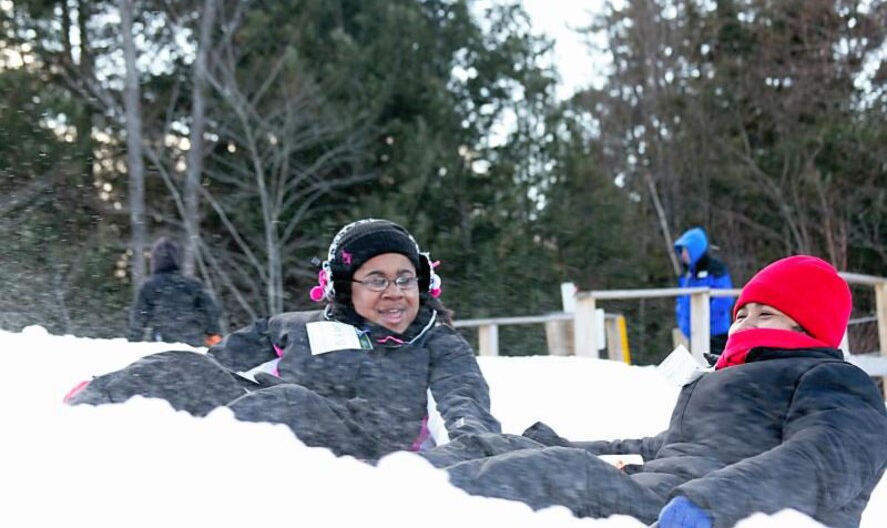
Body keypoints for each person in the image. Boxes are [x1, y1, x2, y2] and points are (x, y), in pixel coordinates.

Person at [419, 255, 887, 528]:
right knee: (498, 446)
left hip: (705, 508)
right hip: (660, 489)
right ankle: (391, 483)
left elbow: (826, 460)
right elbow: (658, 447)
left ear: (810, 330)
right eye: (742, 314)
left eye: (766, 315)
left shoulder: (833, 380)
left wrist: (710, 502)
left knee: (559, 474)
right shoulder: (724, 378)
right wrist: (564, 442)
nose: (745, 325)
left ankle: (410, 511)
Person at [69, 219, 501, 461]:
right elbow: (215, 365)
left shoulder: (435, 343)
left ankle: (201, 456)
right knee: (177, 365)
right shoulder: (298, 326)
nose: (394, 292)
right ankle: (83, 415)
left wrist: (464, 449)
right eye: (376, 279)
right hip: (275, 415)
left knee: (287, 403)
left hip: (367, 449)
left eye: (405, 279)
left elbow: (464, 407)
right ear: (344, 286)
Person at [129, 236, 223, 347]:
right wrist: (212, 332)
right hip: (192, 340)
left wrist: (134, 340)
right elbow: (211, 309)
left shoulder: (150, 285)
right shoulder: (192, 284)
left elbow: (139, 316)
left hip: (162, 341)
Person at [673, 227, 734, 353]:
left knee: (716, 364)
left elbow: (725, 298)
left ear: (694, 249)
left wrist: (704, 318)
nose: (682, 255)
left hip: (716, 334)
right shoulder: (686, 274)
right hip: (692, 333)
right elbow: (681, 299)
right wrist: (683, 321)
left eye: (685, 250)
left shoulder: (715, 268)